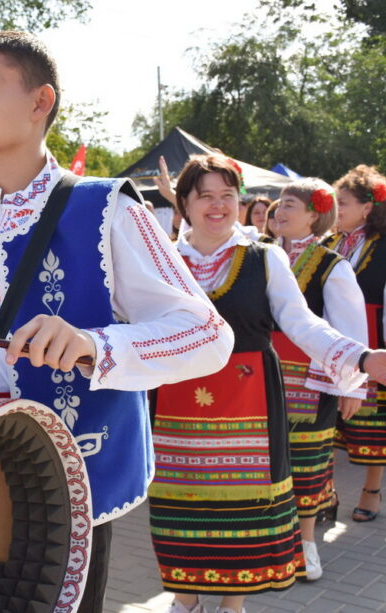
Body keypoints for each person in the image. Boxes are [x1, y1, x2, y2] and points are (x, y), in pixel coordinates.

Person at [0, 32, 234, 613]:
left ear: (41, 101)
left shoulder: (106, 207)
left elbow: (207, 335)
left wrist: (94, 344)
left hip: (62, 482)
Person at [148, 155, 386, 613]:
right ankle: (184, 599)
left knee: (243, 508)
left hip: (249, 404)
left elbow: (304, 324)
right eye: (205, 196)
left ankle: (232, 604)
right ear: (185, 202)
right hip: (177, 405)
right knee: (181, 505)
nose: (217, 206)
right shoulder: (163, 261)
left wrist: (360, 357)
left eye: (227, 196)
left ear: (239, 201)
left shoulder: (264, 257)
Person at [270, 178, 367, 581]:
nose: (280, 209)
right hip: (263, 380)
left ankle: (306, 544)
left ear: (314, 214)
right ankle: (272, 544)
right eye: (279, 203)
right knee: (269, 462)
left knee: (308, 464)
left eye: (290, 204)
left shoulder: (333, 265)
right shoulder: (258, 255)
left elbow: (349, 329)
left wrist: (352, 385)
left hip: (311, 383)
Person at [325, 164, 386, 523]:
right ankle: (324, 493)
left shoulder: (383, 246)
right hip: (332, 341)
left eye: (342, 202)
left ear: (367, 208)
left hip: (372, 336)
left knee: (372, 422)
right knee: (327, 421)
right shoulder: (329, 242)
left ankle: (372, 489)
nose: (336, 208)